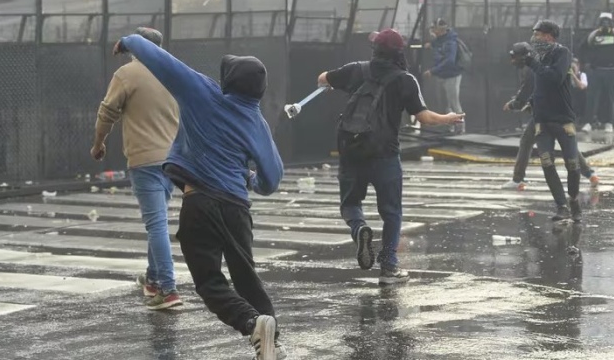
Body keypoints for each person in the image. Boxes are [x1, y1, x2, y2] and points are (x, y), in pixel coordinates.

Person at [112, 31, 285, 360]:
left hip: (201, 203)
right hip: (236, 209)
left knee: (209, 283)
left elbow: (162, 61)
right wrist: (251, 178)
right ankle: (273, 344)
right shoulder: (256, 122)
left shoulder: (202, 92)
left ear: (229, 82)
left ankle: (252, 324)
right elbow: (272, 178)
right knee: (247, 280)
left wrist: (130, 40)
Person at [317, 29, 464, 285]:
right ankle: (388, 266)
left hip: (351, 150)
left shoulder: (356, 70)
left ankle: (359, 229)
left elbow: (322, 79)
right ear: (400, 52)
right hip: (385, 153)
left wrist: (330, 84)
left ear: (375, 49)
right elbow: (424, 117)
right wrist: (448, 118)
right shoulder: (405, 80)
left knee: (350, 204)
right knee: (392, 212)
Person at [91, 27, 182, 310]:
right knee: (158, 219)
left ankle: (168, 290)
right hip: (174, 160)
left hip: (144, 160)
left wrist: (98, 144)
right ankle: (153, 279)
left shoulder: (127, 75)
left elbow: (107, 112)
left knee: (156, 225)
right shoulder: (175, 73)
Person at [502, 44, 599, 192]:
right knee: (567, 143)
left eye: (515, 57)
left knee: (526, 141)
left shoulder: (531, 70)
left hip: (544, 114)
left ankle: (517, 179)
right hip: (559, 110)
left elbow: (525, 95)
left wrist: (513, 104)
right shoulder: (544, 63)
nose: (513, 61)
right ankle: (590, 174)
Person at [522, 20, 584, 223]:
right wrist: (531, 101)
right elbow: (540, 84)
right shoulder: (539, 57)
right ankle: (561, 206)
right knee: (547, 163)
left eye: (538, 34)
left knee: (572, 164)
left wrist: (534, 63)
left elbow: (555, 78)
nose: (535, 38)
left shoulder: (562, 53)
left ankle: (573, 198)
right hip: (542, 119)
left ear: (549, 36)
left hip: (562, 118)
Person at [579, 13, 614, 133]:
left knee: (610, 98)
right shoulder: (593, 35)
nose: (605, 24)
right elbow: (581, 48)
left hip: (613, 71)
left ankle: (608, 123)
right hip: (596, 71)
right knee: (592, 98)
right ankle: (588, 123)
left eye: (607, 21)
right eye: (602, 21)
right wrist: (586, 63)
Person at [423, 18, 465, 134]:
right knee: (447, 104)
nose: (433, 31)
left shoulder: (450, 42)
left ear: (441, 29)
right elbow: (437, 44)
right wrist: (430, 44)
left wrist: (433, 71)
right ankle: (450, 127)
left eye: (434, 28)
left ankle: (460, 129)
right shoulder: (441, 39)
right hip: (443, 76)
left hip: (452, 76)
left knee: (454, 103)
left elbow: (449, 61)